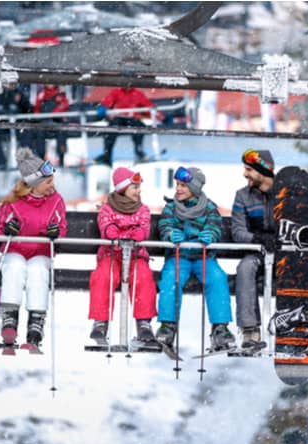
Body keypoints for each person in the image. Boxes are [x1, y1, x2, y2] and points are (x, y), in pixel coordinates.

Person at [231, 149, 308, 361]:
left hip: (294, 254)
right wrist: (258, 239)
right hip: (262, 252)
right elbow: (238, 231)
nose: (245, 174)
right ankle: (250, 331)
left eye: (248, 169)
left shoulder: (292, 195)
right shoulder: (243, 197)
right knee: (245, 268)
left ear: (262, 170)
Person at [154, 166, 235, 351]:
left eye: (183, 185)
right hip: (179, 256)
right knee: (170, 279)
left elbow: (215, 226)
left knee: (217, 278)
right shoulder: (171, 207)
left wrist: (210, 235)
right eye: (177, 184)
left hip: (203, 257)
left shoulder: (209, 208)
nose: (178, 189)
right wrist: (170, 234)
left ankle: (220, 327)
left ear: (195, 188)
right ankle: (168, 325)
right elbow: (164, 225)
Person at [0, 148, 68, 347]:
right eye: (48, 182)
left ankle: (36, 318)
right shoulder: (14, 202)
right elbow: (1, 229)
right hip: (16, 249)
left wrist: (56, 233)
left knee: (37, 271)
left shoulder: (56, 201)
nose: (53, 186)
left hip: (40, 251)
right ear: (34, 184)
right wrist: (8, 229)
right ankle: (9, 315)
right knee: (15, 268)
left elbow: (62, 228)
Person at [87, 167, 157, 343]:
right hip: (111, 256)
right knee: (104, 276)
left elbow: (143, 231)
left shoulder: (142, 210)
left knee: (143, 277)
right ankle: (100, 321)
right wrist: (117, 231)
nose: (139, 191)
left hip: (135, 256)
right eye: (135, 187)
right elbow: (107, 229)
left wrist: (128, 233)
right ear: (123, 189)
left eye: (139, 187)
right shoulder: (107, 209)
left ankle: (143, 322)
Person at [93, 87, 162, 165]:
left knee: (139, 127)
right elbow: (107, 102)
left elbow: (148, 106)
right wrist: (103, 108)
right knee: (110, 130)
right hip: (119, 118)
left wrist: (161, 117)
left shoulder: (137, 94)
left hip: (132, 118)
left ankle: (139, 152)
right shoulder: (116, 92)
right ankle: (107, 155)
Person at [0, 86, 34, 169]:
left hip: (17, 123)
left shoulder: (20, 93)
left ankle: (25, 161)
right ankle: (0, 162)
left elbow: (29, 109)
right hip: (0, 123)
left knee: (26, 133)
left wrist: (21, 101)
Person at [33, 84, 70, 164]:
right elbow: (37, 109)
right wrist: (38, 116)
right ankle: (41, 158)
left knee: (62, 133)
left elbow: (65, 105)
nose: (50, 84)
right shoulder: (41, 95)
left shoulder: (60, 95)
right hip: (44, 124)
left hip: (57, 123)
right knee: (39, 133)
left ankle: (61, 159)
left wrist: (54, 113)